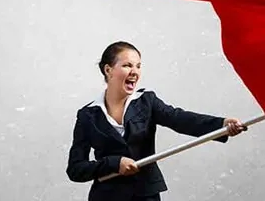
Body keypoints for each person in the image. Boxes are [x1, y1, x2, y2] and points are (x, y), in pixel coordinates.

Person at [66, 41, 247, 200]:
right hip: (106, 197)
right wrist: (114, 163)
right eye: (128, 65)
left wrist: (221, 125)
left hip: (146, 194)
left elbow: (181, 119)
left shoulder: (147, 102)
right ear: (108, 70)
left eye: (138, 66)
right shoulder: (87, 116)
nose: (135, 72)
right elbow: (75, 169)